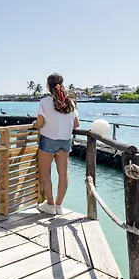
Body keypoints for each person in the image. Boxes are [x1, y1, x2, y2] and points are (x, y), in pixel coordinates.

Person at [33, 73, 79, 215]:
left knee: (45, 173)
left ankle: (50, 205)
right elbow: (76, 124)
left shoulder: (45, 102)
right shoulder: (70, 102)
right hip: (65, 141)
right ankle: (59, 206)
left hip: (48, 140)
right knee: (63, 174)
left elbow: (40, 123)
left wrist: (35, 124)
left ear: (48, 86)